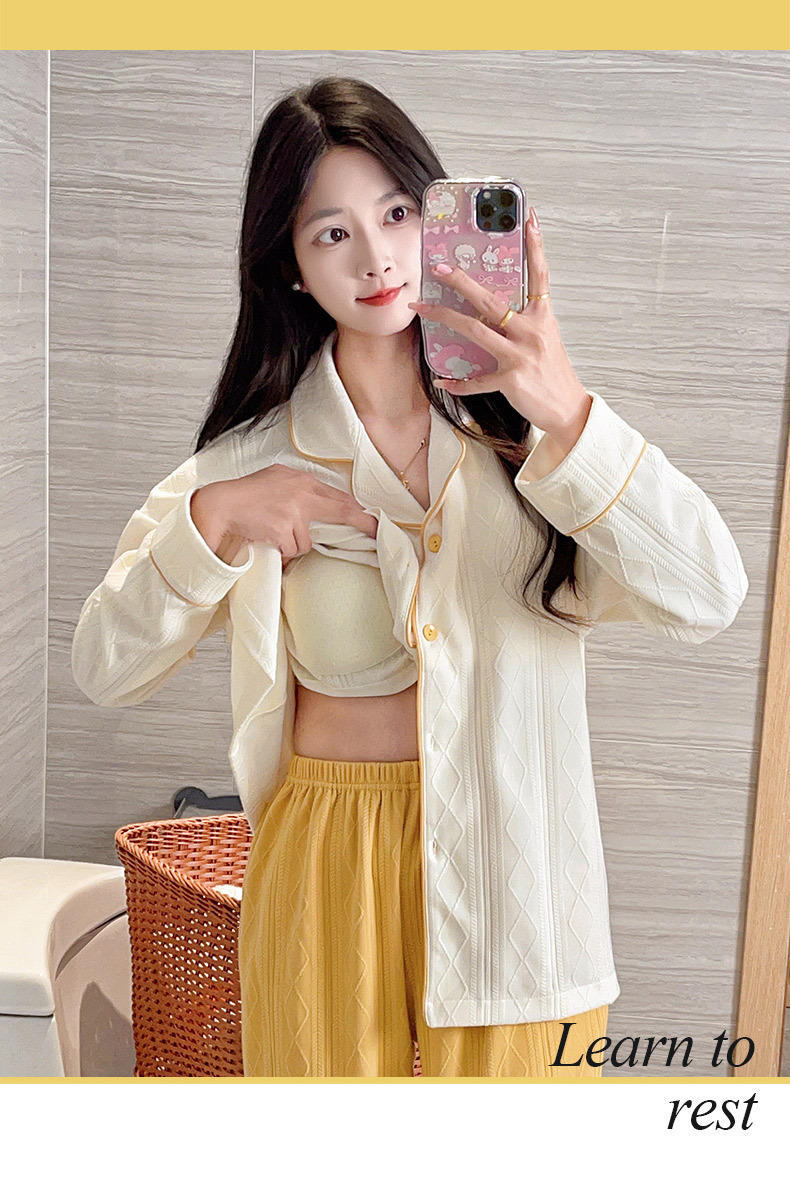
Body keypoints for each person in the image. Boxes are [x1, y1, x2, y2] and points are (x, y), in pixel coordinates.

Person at [72, 77, 749, 1079]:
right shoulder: (248, 462)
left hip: (518, 882)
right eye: (332, 233)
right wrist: (210, 522)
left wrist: (567, 411)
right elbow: (103, 667)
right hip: (324, 865)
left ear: (436, 219)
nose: (377, 258)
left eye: (396, 213)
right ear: (291, 266)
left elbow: (709, 593)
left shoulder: (534, 443)